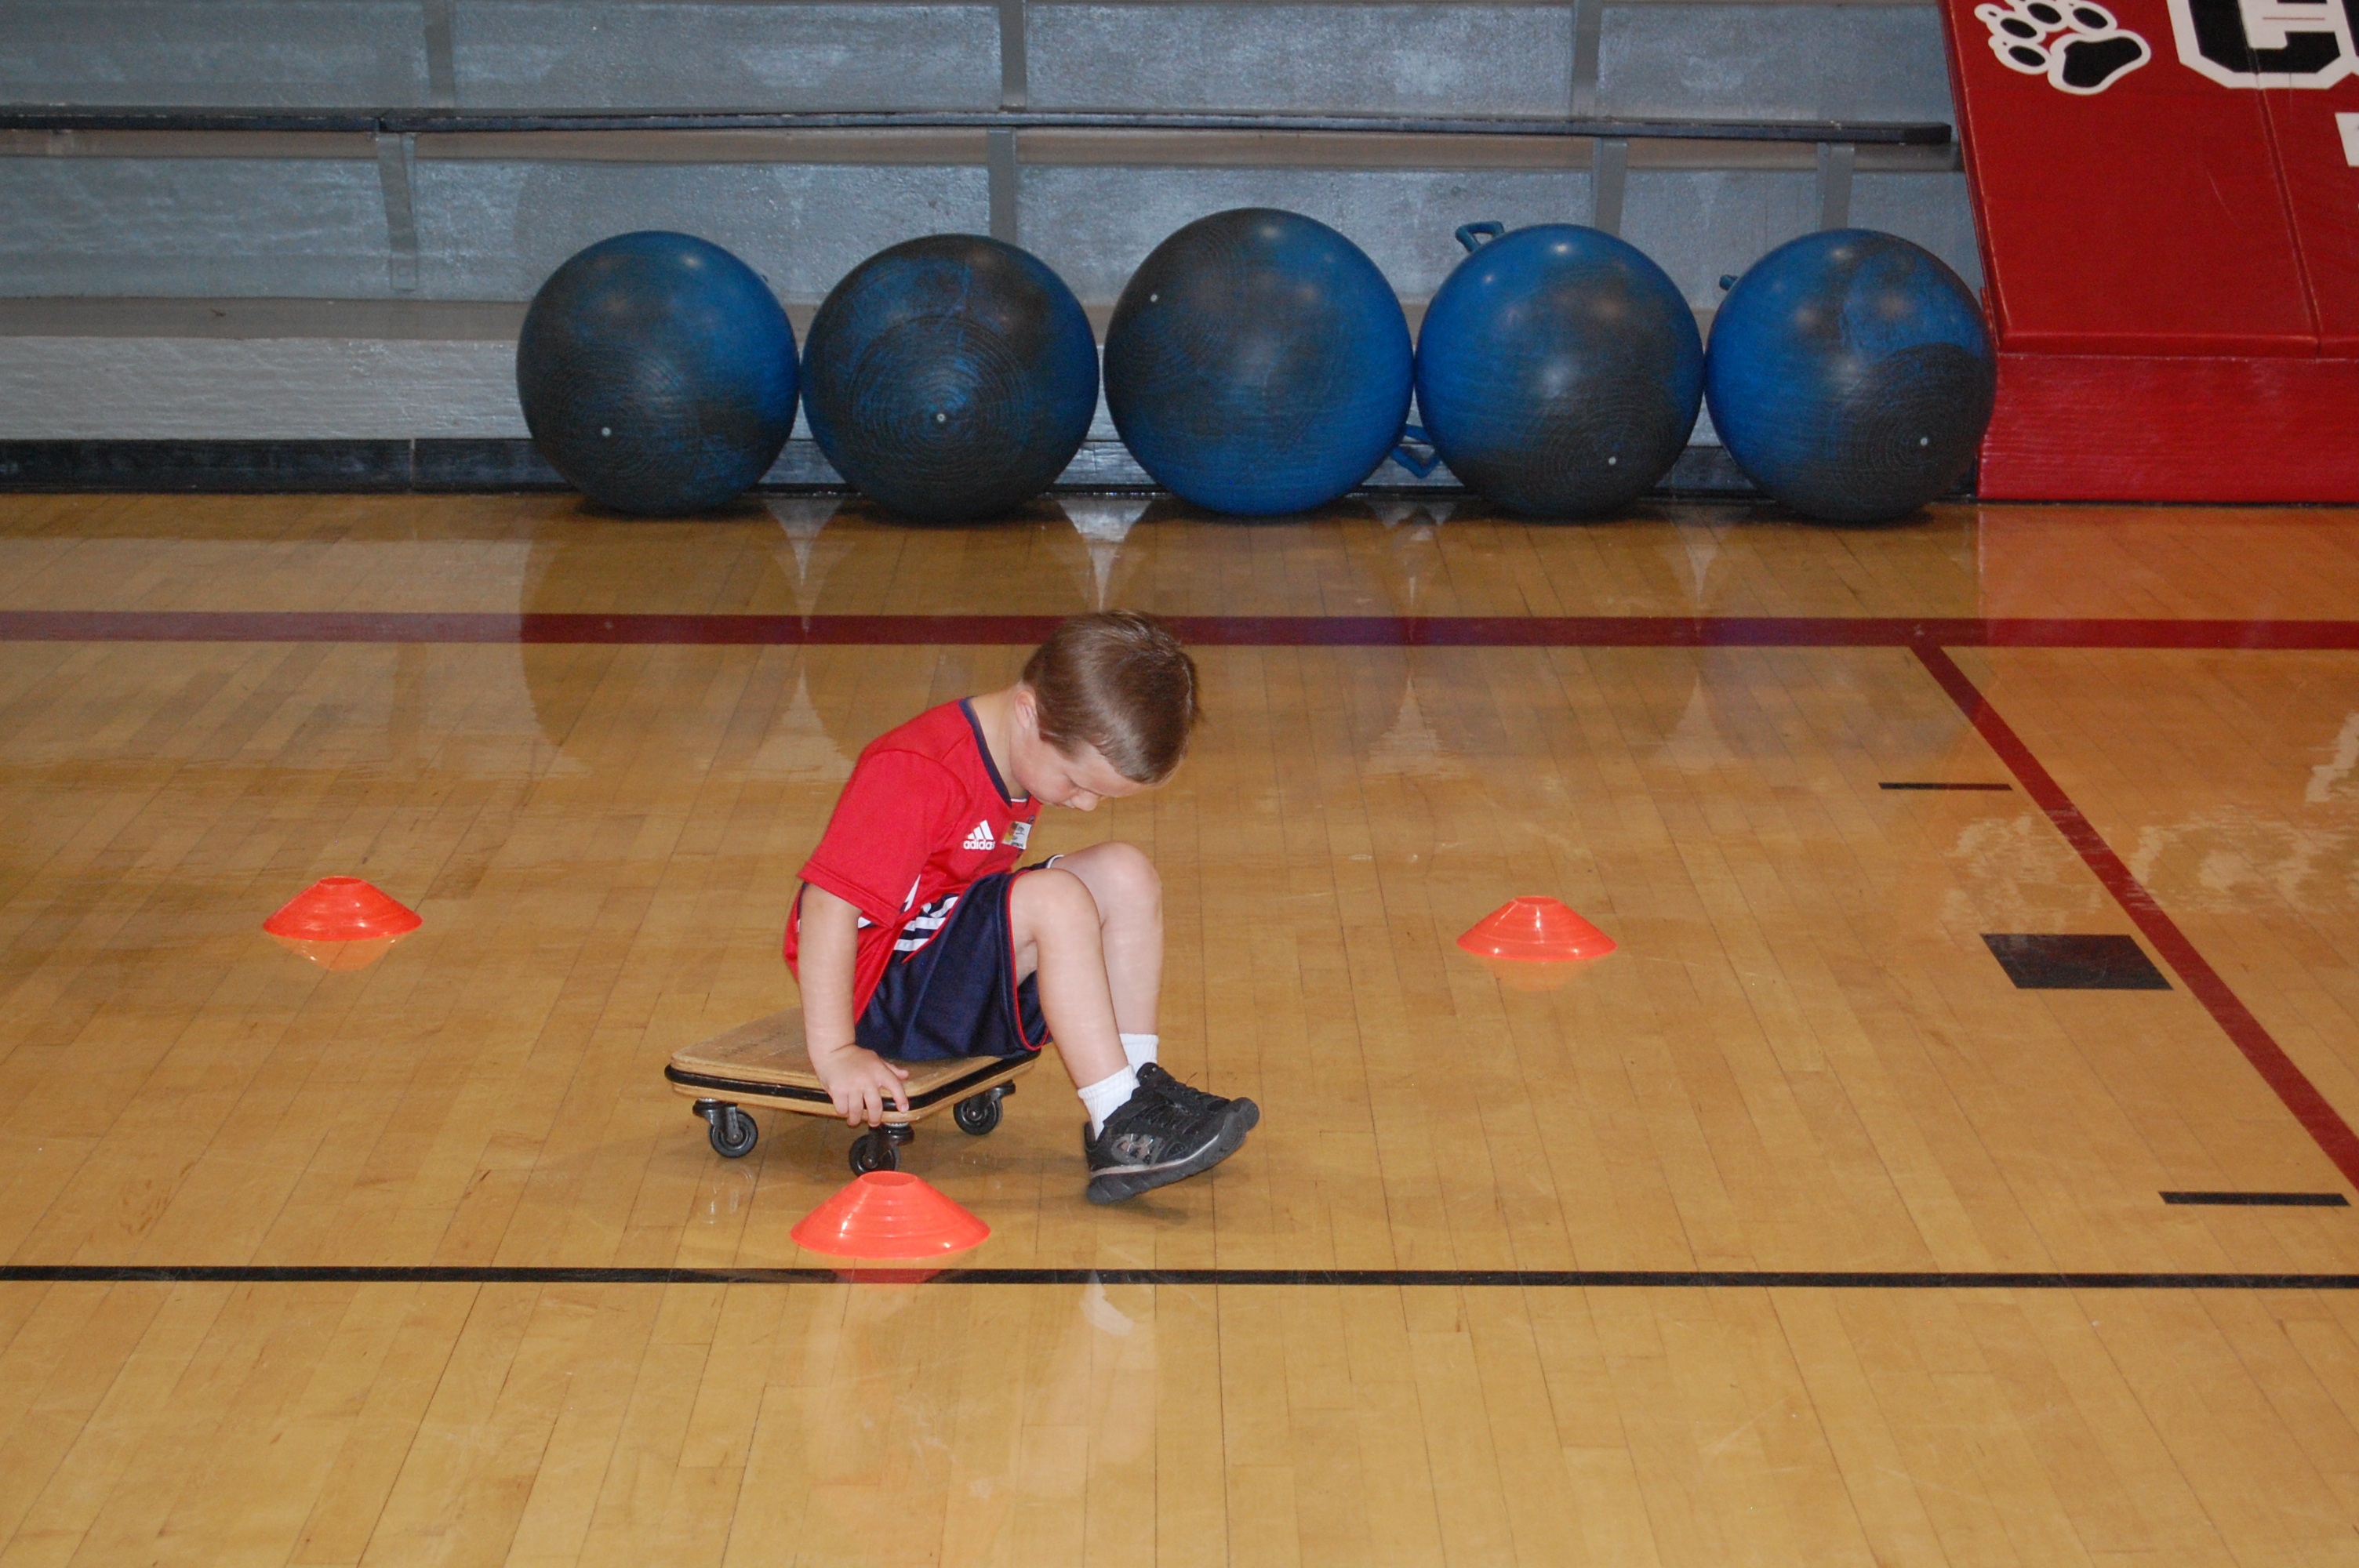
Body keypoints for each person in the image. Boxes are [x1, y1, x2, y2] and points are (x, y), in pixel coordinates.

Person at [783, 610, 1256, 1203]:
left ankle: (1136, 1089)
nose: (1083, 806)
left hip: (941, 960)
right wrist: (836, 1052)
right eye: (1076, 783)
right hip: (881, 997)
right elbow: (826, 905)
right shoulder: (918, 771)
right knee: (1055, 900)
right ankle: (1117, 1123)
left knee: (1126, 872)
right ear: (1028, 712)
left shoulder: (1021, 751)